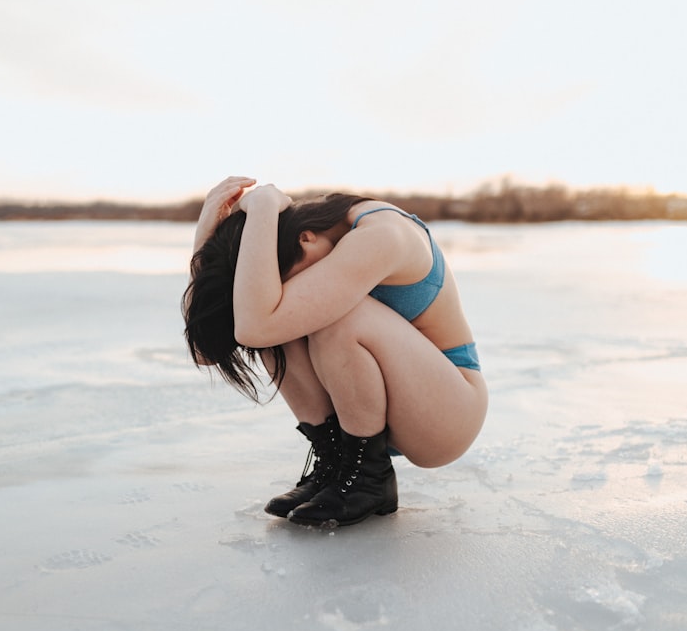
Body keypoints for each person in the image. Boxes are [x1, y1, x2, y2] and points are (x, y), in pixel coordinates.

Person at [182, 176, 488, 527]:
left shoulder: (382, 234)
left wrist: (264, 205)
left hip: (446, 413)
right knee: (273, 320)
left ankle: (368, 479)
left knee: (327, 318)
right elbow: (210, 348)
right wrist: (204, 236)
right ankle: (336, 465)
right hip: (366, 406)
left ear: (306, 237)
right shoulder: (317, 233)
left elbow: (254, 326)